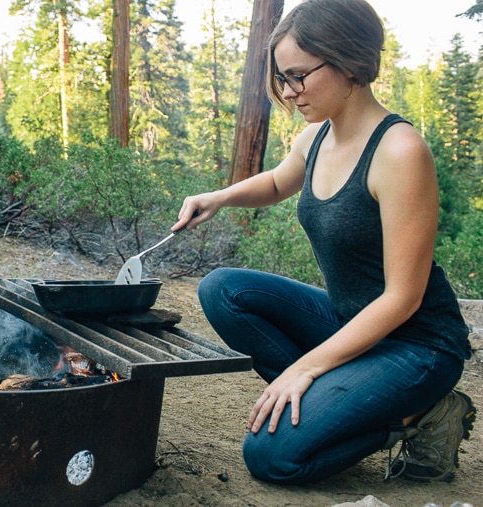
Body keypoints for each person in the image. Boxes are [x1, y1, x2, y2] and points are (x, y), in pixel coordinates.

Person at [172, 0, 476, 485]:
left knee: (272, 458)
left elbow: (403, 298)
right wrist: (218, 197)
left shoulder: (400, 152)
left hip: (417, 345)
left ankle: (421, 417)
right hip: (350, 321)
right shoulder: (315, 138)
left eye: (298, 77)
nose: (290, 93)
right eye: (282, 79)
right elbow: (275, 183)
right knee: (222, 289)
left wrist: (305, 367)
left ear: (348, 60)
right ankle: (333, 398)